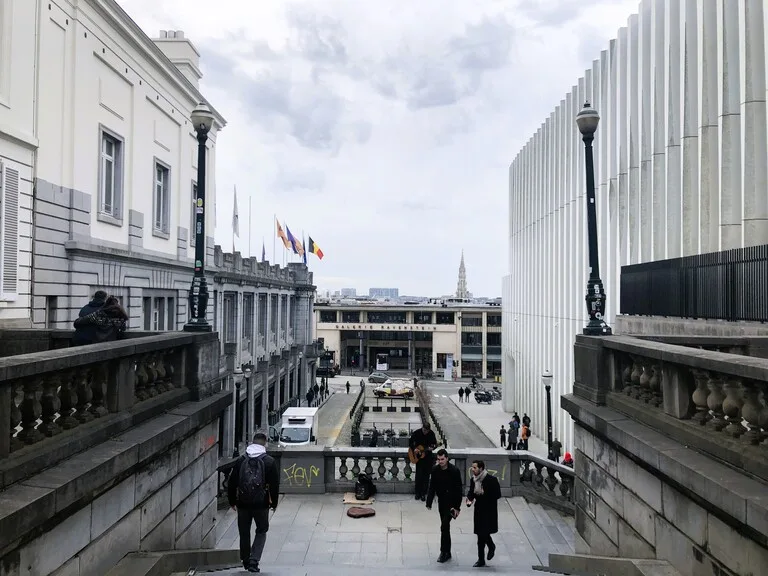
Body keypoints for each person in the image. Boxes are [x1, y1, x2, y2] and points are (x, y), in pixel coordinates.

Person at [228, 432, 280, 573]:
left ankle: (245, 559)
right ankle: (254, 560)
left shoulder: (241, 460)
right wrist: (274, 503)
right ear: (265, 443)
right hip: (261, 503)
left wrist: (232, 501)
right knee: (261, 530)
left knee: (244, 532)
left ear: (252, 442)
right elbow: (274, 485)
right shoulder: (269, 461)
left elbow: (232, 482)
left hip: (243, 503)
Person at [426, 449, 463, 563]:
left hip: (452, 503)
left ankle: (443, 552)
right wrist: (429, 502)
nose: (440, 461)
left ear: (447, 458)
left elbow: (459, 490)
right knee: (445, 527)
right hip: (442, 502)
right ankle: (448, 551)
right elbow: (432, 486)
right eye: (438, 459)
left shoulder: (454, 471)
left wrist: (457, 507)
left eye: (442, 459)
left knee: (444, 526)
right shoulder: (435, 470)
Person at [466, 460, 501, 567]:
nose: (473, 469)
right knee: (480, 535)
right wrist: (469, 500)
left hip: (489, 510)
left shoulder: (491, 480)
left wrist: (484, 493)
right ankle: (481, 559)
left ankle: (490, 547)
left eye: (475, 467)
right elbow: (471, 492)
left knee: (483, 533)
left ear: (481, 468)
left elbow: (497, 494)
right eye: (472, 467)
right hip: (479, 510)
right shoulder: (474, 480)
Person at [409, 422, 438, 501]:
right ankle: (417, 493)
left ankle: (423, 494)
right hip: (419, 458)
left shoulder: (431, 434)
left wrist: (432, 448)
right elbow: (410, 442)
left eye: (427, 431)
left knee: (426, 476)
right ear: (422, 428)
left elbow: (434, 444)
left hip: (428, 458)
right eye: (424, 430)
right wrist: (414, 448)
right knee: (419, 476)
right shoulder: (417, 433)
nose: (425, 432)